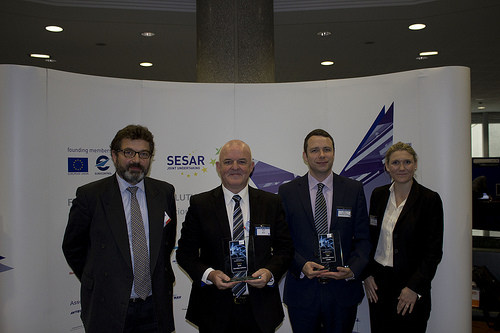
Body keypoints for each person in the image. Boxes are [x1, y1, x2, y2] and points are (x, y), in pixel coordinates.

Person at [62, 125, 177, 333]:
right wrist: (98, 279)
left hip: (155, 306)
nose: (136, 160)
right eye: (128, 152)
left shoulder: (164, 192)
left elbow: (166, 243)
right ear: (114, 155)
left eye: (143, 154)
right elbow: (73, 247)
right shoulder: (91, 196)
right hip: (108, 306)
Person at [176, 139, 294, 333]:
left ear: (251, 166)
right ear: (218, 167)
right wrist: (210, 275)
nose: (235, 167)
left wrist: (270, 272)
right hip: (213, 310)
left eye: (242, 161)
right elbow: (185, 254)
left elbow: (285, 249)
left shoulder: (270, 203)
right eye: (228, 161)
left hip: (260, 310)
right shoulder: (201, 204)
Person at [278, 129, 371, 333]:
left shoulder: (353, 189)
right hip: (303, 290)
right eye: (315, 150)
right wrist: (301, 265)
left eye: (327, 149)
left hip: (342, 290)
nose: (321, 155)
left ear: (334, 153)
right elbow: (282, 241)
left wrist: (352, 269)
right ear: (305, 156)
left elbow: (364, 239)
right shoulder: (287, 191)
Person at [362, 141, 444, 333]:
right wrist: (366, 274)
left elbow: (433, 252)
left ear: (415, 165)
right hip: (379, 283)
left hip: (410, 284)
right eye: (395, 163)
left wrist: (414, 287)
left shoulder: (429, 200)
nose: (401, 168)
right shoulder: (378, 195)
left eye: (407, 162)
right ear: (387, 166)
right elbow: (369, 238)